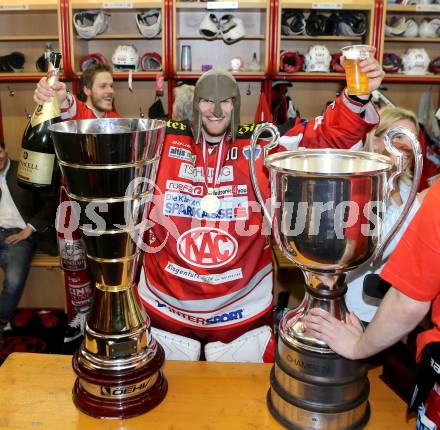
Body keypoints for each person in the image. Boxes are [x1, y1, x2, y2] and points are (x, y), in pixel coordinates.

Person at [35, 47, 385, 362]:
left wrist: (357, 95)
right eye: (207, 100)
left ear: (236, 103)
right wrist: (63, 103)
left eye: (225, 101)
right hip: (164, 314)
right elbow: (108, 131)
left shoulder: (263, 143)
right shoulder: (162, 138)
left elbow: (322, 137)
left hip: (242, 319)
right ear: (194, 102)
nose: (216, 110)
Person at [304, 177, 440, 428]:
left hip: (377, 320)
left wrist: (359, 348)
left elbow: (407, 300)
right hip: (361, 310)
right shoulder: (352, 190)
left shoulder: (427, 195)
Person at [34, 63, 120, 350]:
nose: (109, 91)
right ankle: (80, 321)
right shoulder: (78, 114)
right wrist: (60, 93)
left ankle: (105, 321)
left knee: (104, 271)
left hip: (105, 211)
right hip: (71, 207)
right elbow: (72, 110)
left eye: (111, 85)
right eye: (103, 86)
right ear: (86, 90)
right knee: (75, 269)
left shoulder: (116, 119)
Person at [345, 107, 424, 324]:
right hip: (357, 313)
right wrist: (419, 204)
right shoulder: (361, 190)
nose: (408, 145)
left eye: (412, 138)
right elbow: (374, 250)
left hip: (394, 311)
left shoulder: (407, 191)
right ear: (376, 141)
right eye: (398, 136)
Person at [0, 141, 57, 349]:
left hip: (19, 235)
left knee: (14, 279)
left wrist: (30, 228)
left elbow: (51, 201)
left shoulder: (25, 171)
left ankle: (1, 321)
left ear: (5, 150)